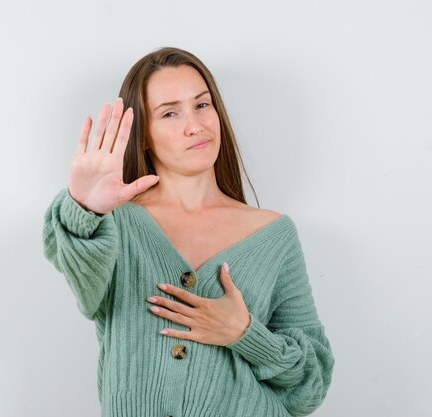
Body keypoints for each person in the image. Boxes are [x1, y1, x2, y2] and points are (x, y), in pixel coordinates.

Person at [42, 46, 334, 417]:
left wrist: (245, 333)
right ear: (143, 135)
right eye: (169, 113)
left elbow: (312, 385)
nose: (194, 125)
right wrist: (84, 208)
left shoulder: (274, 234)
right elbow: (76, 267)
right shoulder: (113, 224)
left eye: (202, 104)